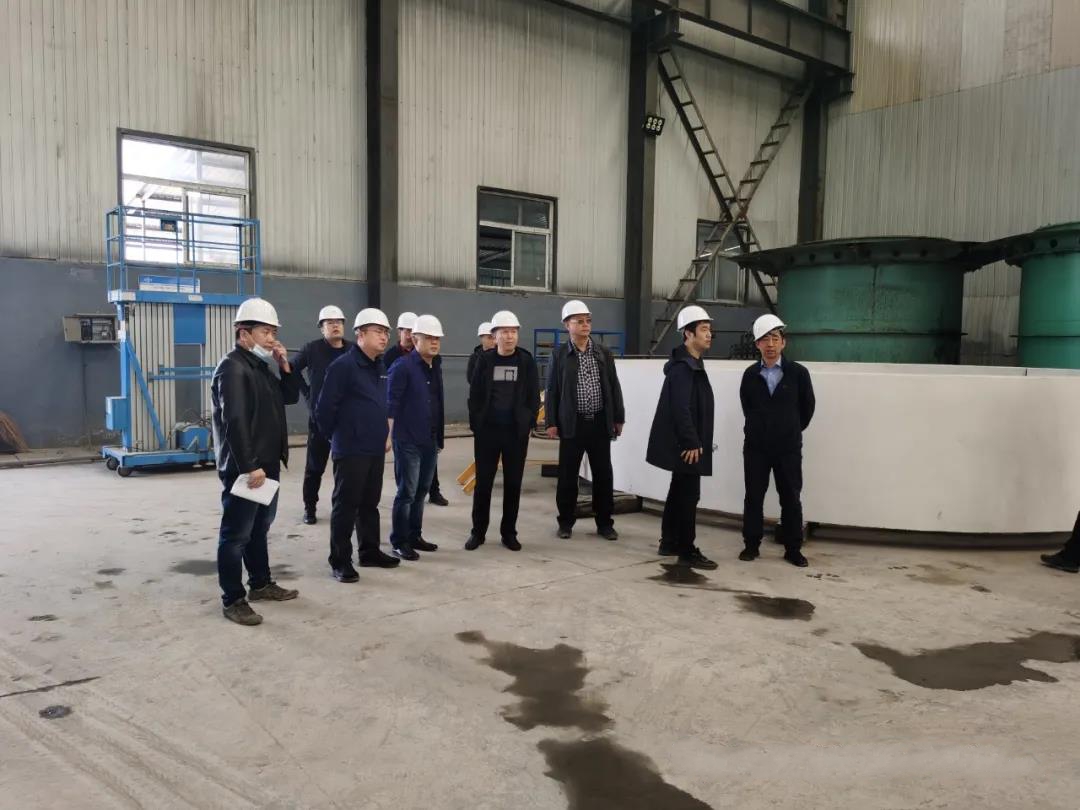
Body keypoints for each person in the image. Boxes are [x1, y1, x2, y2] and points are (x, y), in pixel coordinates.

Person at [211, 298, 301, 626]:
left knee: (259, 528)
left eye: (274, 332)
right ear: (243, 333)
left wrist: (285, 365)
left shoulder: (260, 366)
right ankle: (233, 599)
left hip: (266, 464)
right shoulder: (233, 368)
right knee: (236, 535)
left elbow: (289, 397)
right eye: (265, 331)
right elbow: (234, 422)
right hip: (247, 468)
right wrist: (249, 466)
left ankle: (261, 584)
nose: (272, 338)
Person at [316, 308, 400, 582]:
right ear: (360, 334)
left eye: (386, 332)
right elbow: (324, 409)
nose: (384, 337)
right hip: (351, 449)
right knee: (346, 505)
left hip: (374, 447)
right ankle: (340, 560)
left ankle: (369, 551)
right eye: (378, 331)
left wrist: (383, 435)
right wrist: (338, 438)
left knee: (369, 504)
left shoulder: (380, 366)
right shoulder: (343, 366)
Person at [739, 314, 816, 567]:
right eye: (764, 340)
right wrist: (762, 430)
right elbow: (747, 408)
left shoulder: (799, 374)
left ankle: (793, 548)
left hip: (788, 448)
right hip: (756, 448)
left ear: (783, 342)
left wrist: (788, 429)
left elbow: (807, 409)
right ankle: (751, 545)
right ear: (757, 344)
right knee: (753, 496)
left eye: (775, 338)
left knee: (791, 497)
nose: (770, 344)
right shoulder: (750, 375)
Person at [545, 300, 625, 541]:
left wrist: (618, 417)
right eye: (579, 321)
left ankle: (605, 523)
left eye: (588, 321)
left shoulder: (603, 353)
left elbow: (613, 385)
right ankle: (565, 523)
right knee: (568, 476)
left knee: (603, 475)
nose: (585, 325)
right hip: (572, 423)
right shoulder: (559, 354)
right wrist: (551, 421)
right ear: (567, 325)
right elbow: (552, 390)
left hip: (599, 422)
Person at [646, 305, 718, 570]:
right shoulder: (683, 368)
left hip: (689, 442)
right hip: (688, 445)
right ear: (688, 334)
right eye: (704, 329)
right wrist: (691, 441)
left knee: (678, 491)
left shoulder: (691, 363)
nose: (709, 334)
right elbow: (680, 407)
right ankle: (687, 549)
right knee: (688, 496)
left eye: (709, 330)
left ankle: (669, 541)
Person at [466, 310, 540, 552]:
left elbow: (533, 395)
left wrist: (528, 422)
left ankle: (509, 533)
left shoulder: (526, 361)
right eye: (505, 332)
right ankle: (478, 532)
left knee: (513, 484)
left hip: (515, 434)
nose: (510, 336)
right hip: (488, 432)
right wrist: (477, 424)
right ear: (494, 335)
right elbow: (475, 394)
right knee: (483, 484)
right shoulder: (485, 360)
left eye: (513, 332)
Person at [387, 315, 446, 560]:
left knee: (421, 490)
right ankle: (399, 541)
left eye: (437, 338)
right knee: (407, 492)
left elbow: (437, 404)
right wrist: (387, 436)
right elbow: (391, 404)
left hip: (429, 439)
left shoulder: (434, 366)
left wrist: (439, 438)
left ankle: (414, 536)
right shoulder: (402, 367)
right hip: (407, 439)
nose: (434, 342)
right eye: (429, 337)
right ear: (414, 338)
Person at [291, 305, 350, 525]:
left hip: (346, 422)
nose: (335, 325)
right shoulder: (312, 349)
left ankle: (342, 508)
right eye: (330, 322)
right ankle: (310, 508)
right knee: (314, 468)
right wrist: (308, 395)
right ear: (321, 327)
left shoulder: (352, 350)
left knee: (345, 469)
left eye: (339, 322)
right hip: (320, 421)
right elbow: (291, 369)